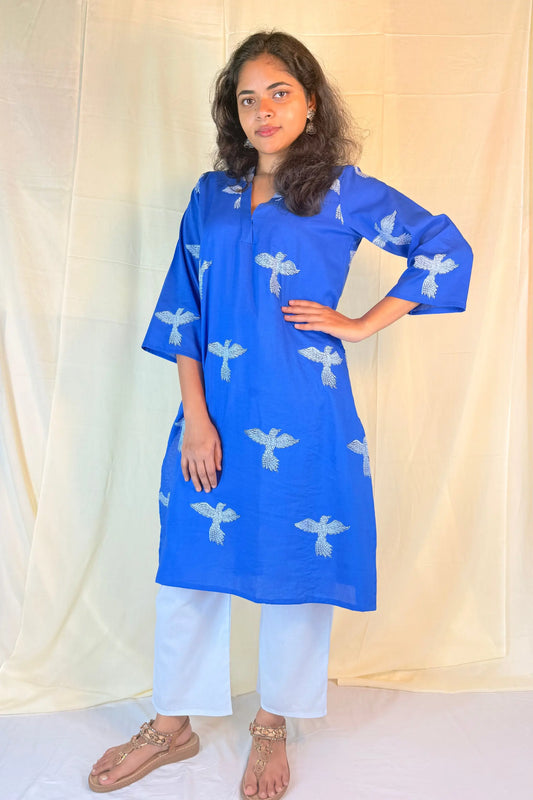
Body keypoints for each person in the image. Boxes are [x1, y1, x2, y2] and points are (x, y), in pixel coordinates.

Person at [89, 30, 472, 800]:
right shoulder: (210, 196)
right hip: (215, 411)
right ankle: (173, 723)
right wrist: (196, 419)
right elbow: (182, 311)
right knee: (189, 566)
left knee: (296, 571)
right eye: (246, 97)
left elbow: (442, 245)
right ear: (233, 113)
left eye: (279, 93)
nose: (262, 111)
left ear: (310, 102)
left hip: (307, 410)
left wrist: (362, 323)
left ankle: (272, 726)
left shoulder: (340, 189)